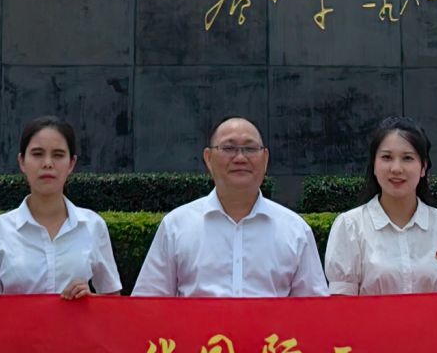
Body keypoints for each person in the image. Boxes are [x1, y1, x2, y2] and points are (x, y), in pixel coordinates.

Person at [134, 117, 327, 297]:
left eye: (250, 149)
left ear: (265, 158)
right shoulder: (176, 226)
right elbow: (148, 304)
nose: (240, 158)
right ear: (208, 158)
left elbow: (314, 310)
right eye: (228, 148)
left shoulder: (295, 230)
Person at [0, 118, 123, 296]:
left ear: (71, 163)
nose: (47, 163)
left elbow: (113, 300)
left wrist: (91, 300)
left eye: (58, 155)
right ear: (22, 161)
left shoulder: (93, 226)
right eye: (37, 154)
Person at [324, 119, 437, 294]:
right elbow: (341, 304)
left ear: (423, 167)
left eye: (407, 158)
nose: (396, 168)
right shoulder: (350, 226)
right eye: (386, 157)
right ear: (374, 165)